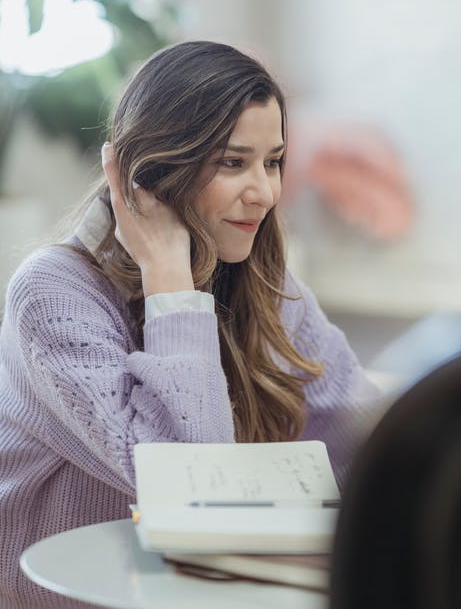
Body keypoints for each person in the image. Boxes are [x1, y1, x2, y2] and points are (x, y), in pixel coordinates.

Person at [0, 40, 378, 609]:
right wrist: (170, 279)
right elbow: (190, 486)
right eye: (232, 163)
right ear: (149, 171)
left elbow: (360, 439)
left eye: (272, 161)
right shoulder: (52, 294)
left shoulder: (260, 281)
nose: (265, 193)